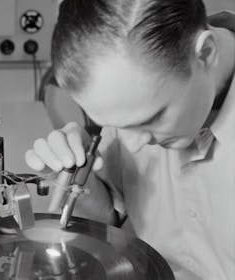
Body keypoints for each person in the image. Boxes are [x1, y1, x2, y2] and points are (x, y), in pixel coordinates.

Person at [25, 1, 235, 279]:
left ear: (206, 54)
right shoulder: (135, 92)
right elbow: (113, 224)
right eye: (114, 124)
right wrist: (84, 180)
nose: (134, 143)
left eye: (151, 119)